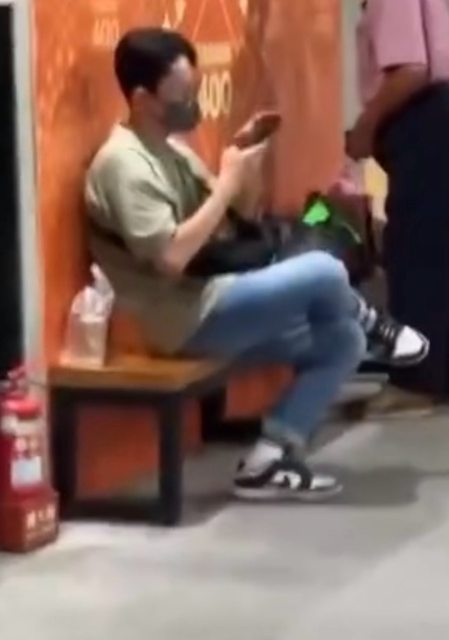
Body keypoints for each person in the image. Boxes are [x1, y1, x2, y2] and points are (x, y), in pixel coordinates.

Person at [86, 28, 424, 501]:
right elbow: (170, 258)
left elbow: (233, 218)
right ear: (142, 98)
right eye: (182, 95)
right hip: (178, 320)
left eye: (194, 89)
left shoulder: (173, 150)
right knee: (324, 270)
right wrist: (226, 184)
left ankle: (268, 460)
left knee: (342, 340)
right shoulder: (122, 165)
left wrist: (242, 159)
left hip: (215, 295)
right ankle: (375, 323)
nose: (192, 103)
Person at [347, 0, 449, 417]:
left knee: (417, 254)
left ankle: (416, 381)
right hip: (443, 119)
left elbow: (410, 70)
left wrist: (365, 127)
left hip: (424, 123)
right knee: (444, 253)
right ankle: (445, 374)